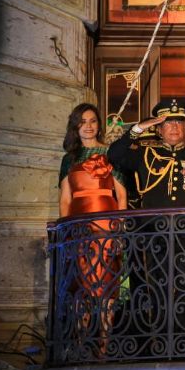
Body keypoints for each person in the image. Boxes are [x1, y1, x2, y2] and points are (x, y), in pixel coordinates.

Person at [107, 97, 185, 348]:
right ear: (159, 128)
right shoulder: (145, 154)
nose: (174, 128)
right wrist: (138, 128)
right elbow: (115, 154)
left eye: (178, 123)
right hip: (153, 236)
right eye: (167, 123)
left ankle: (181, 342)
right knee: (156, 289)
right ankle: (158, 342)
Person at [58, 103, 127, 354]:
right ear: (75, 126)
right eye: (82, 122)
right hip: (78, 228)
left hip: (106, 225)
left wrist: (119, 229)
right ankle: (81, 343)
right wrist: (65, 231)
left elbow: (121, 195)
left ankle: (105, 345)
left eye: (93, 121)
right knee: (80, 285)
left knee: (107, 285)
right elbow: (65, 198)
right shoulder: (69, 159)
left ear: (99, 125)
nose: (88, 126)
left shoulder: (110, 153)